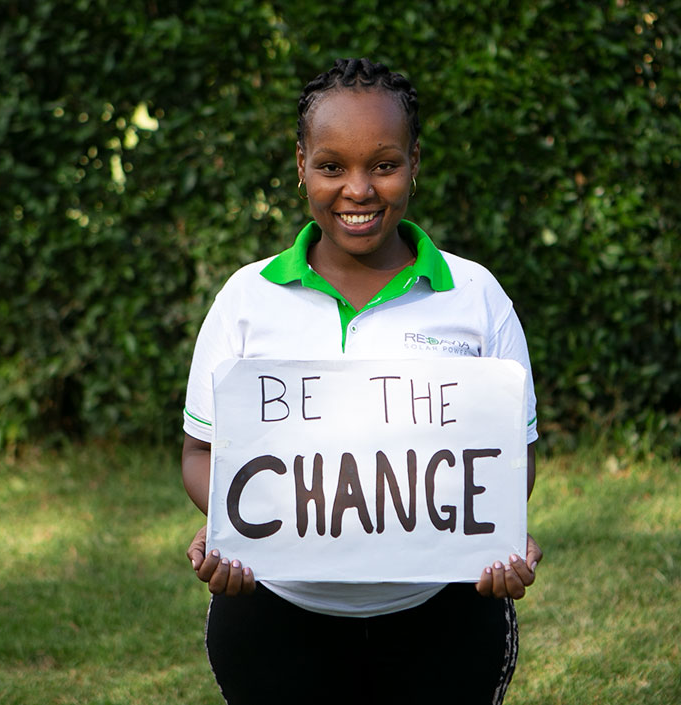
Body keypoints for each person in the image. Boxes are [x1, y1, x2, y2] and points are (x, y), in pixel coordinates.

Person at [182, 57, 543, 705]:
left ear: (414, 163)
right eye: (331, 166)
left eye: (383, 165)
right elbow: (201, 452)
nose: (358, 189)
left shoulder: (476, 295)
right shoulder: (245, 299)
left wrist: (496, 534)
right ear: (301, 166)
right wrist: (233, 526)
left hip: (444, 614)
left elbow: (511, 455)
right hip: (274, 616)